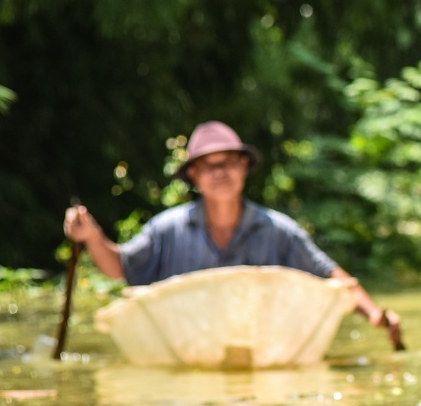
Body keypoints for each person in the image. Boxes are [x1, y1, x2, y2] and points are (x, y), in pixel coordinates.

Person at [63, 121, 403, 347]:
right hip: (188, 349)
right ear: (194, 174)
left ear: (245, 168)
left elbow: (333, 278)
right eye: (210, 165)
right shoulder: (167, 229)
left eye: (229, 162)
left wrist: (375, 314)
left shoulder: (277, 230)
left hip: (263, 349)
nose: (220, 172)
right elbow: (120, 266)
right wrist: (92, 235)